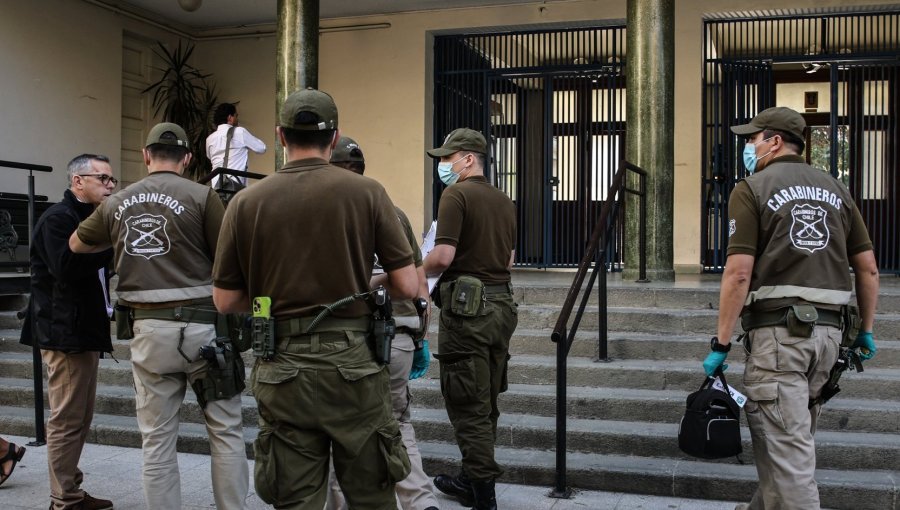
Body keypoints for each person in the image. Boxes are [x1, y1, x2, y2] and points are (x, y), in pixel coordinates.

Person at [211, 88, 418, 509]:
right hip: (355, 365)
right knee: (371, 496)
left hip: (282, 365)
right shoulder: (368, 193)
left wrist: (272, 294)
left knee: (296, 498)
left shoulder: (246, 202)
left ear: (280, 136)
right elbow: (409, 286)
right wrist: (367, 285)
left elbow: (225, 300)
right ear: (334, 135)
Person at [704, 106, 880, 510]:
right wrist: (866, 330)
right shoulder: (837, 190)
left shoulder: (753, 188)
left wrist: (721, 343)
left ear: (774, 141)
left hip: (779, 341)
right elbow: (868, 268)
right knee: (785, 453)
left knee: (789, 463)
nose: (749, 146)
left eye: (753, 138)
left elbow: (737, 274)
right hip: (830, 340)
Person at [69, 123, 249, 510]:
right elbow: (228, 257)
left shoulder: (117, 202)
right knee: (226, 432)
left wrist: (119, 245)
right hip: (205, 331)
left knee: (157, 440)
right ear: (187, 158)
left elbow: (77, 244)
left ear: (146, 155)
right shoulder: (203, 196)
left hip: (149, 330)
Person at [326, 136, 440, 510]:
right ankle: (422, 503)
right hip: (400, 338)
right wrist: (422, 333)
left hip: (350, 339)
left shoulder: (327, 214)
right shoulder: (393, 212)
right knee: (397, 426)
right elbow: (418, 281)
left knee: (341, 431)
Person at [423, 128, 517, 510]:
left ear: (469, 159)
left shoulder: (456, 195)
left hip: (468, 312)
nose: (444, 165)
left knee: (467, 402)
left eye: (449, 157)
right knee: (487, 398)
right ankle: (470, 476)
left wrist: (414, 268)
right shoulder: (505, 200)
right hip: (501, 307)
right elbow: (509, 259)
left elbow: (443, 257)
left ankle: (482, 493)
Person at [19, 154, 117, 509]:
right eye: (103, 179)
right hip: (65, 333)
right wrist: (111, 248)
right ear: (78, 181)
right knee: (66, 419)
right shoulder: (59, 218)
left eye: (111, 180)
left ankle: (70, 490)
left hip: (83, 330)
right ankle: (64, 499)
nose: (109, 185)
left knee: (79, 417)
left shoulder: (87, 217)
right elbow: (65, 266)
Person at [206, 102, 266, 187]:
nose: (237, 119)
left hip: (216, 186)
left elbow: (210, 157)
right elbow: (262, 148)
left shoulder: (209, 139)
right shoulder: (240, 132)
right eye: (236, 116)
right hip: (235, 185)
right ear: (230, 118)